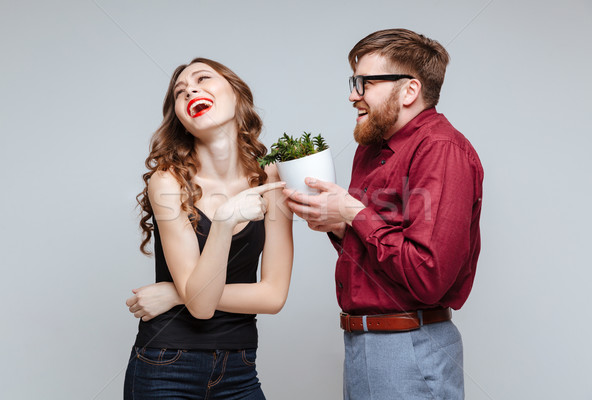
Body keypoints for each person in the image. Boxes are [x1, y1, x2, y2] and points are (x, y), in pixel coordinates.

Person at [284, 29, 483, 399]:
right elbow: (382, 258)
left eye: (365, 83)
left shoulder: (440, 149)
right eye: (353, 81)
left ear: (409, 91)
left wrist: (354, 213)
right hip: (365, 345)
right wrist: (341, 225)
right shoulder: (372, 149)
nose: (352, 94)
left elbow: (428, 277)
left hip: (408, 346)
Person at [123, 57, 294, 399]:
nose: (191, 91)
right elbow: (200, 307)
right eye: (180, 92)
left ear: (237, 95)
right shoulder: (167, 181)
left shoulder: (271, 178)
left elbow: (273, 296)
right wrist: (225, 221)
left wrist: (176, 293)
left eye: (203, 79)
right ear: (181, 120)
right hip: (166, 364)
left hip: (240, 365)